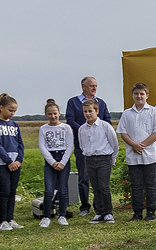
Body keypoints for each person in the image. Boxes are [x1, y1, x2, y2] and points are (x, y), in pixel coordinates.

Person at [116, 83, 156, 221]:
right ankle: (137, 212)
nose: (139, 96)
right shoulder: (127, 113)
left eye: (142, 94)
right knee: (136, 185)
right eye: (136, 93)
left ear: (147, 95)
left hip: (149, 154)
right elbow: (122, 132)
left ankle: (151, 212)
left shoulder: (154, 112)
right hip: (133, 155)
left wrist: (142, 145)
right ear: (132, 95)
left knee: (150, 185)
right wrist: (134, 145)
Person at [64, 77, 111, 215]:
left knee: (100, 182)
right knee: (84, 177)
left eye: (96, 85)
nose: (94, 88)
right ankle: (85, 206)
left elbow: (107, 120)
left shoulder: (101, 103)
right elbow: (70, 119)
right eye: (91, 86)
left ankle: (100, 207)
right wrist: (85, 130)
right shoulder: (73, 102)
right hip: (82, 145)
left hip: (100, 147)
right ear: (83, 86)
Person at [0, 93, 25, 231]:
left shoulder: (15, 125)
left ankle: (10, 218)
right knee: (5, 190)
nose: (12, 113)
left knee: (12, 191)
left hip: (15, 161)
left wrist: (18, 160)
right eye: (10, 110)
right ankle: (2, 221)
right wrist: (8, 161)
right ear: (1, 107)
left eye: (14, 111)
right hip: (0, 162)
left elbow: (20, 143)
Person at [77, 99, 118, 223]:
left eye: (90, 111)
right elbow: (82, 145)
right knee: (95, 187)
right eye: (85, 111)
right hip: (90, 159)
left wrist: (112, 158)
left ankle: (108, 212)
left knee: (104, 186)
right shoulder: (82, 129)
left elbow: (114, 143)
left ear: (97, 111)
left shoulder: (105, 126)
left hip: (104, 158)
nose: (88, 114)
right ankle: (99, 212)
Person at [37, 99, 73, 228]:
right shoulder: (43, 129)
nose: (53, 116)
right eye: (50, 114)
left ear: (59, 113)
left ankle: (62, 215)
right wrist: (52, 162)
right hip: (50, 159)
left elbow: (69, 146)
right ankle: (46, 216)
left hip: (63, 157)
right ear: (46, 115)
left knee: (63, 190)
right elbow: (42, 146)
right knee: (49, 190)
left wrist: (62, 162)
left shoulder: (66, 127)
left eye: (55, 113)